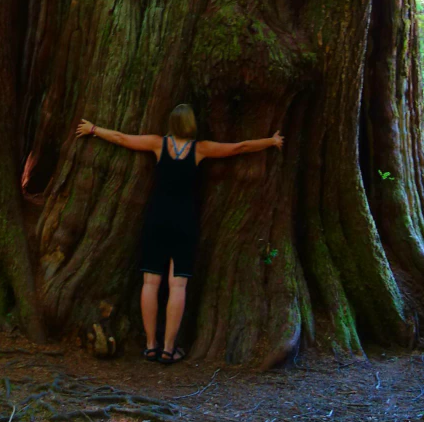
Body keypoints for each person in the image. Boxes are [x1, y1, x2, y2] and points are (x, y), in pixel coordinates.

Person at [76, 104, 283, 365]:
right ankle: (168, 348)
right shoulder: (200, 149)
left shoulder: (157, 144)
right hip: (184, 221)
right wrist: (271, 141)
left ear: (171, 123)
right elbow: (238, 147)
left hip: (156, 218)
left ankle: (150, 345)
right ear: (191, 123)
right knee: (178, 285)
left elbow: (121, 139)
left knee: (150, 283)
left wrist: (94, 129)